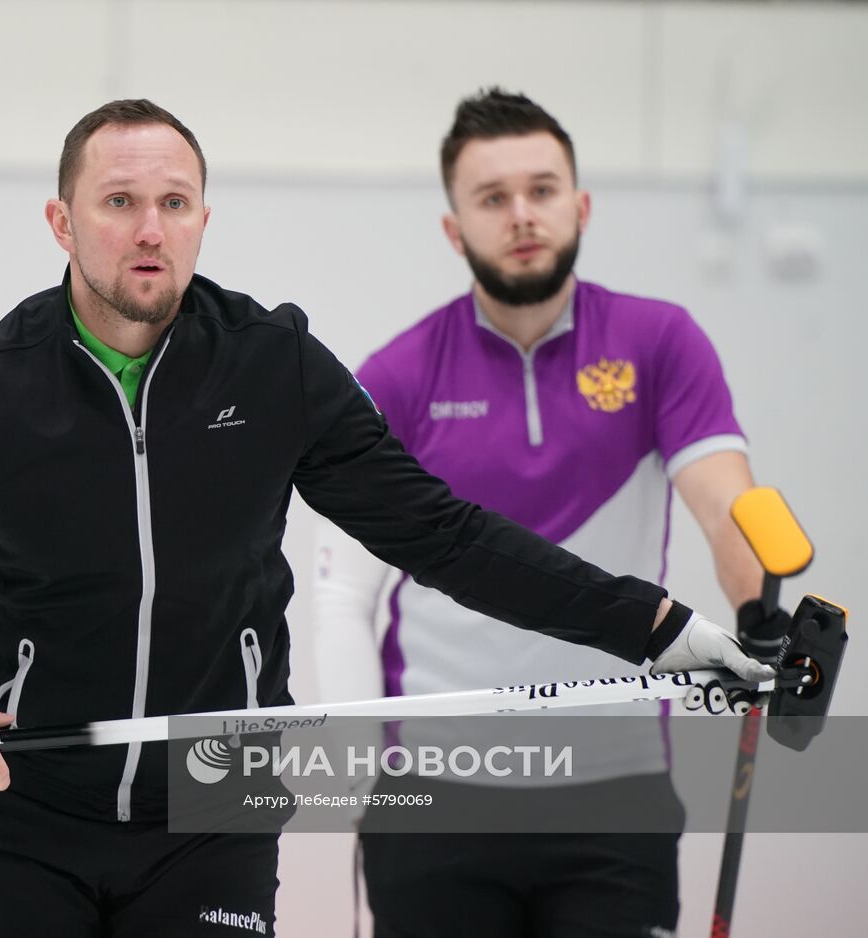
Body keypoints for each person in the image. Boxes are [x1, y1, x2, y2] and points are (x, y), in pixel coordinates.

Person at [0, 99, 773, 938]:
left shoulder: (270, 364)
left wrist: (662, 630)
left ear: (202, 217)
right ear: (62, 223)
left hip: (214, 809)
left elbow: (445, 537)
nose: (148, 228)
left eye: (173, 202)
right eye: (117, 201)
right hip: (22, 810)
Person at [313, 88, 791, 937]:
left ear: (582, 206)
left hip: (617, 790)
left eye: (542, 189)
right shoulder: (397, 374)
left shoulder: (659, 343)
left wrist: (764, 616)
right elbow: (343, 594)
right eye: (493, 198)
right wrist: (361, 782)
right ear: (455, 230)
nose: (522, 215)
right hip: (434, 797)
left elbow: (727, 504)